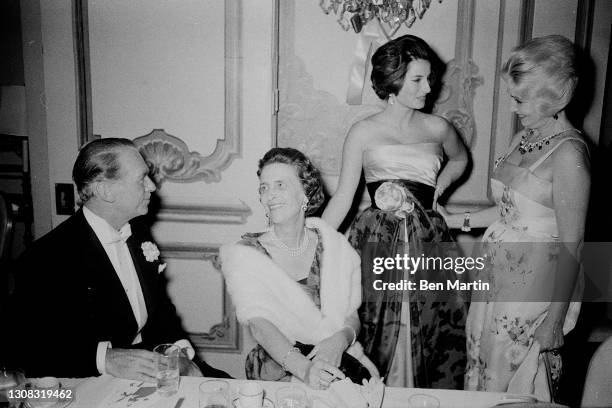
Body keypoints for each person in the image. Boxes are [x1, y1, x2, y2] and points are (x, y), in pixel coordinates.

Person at [4, 138, 229, 380]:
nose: (152, 186)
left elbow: (159, 308)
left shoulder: (138, 231)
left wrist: (182, 355)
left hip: (154, 360)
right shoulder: (45, 258)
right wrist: (105, 358)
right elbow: (26, 349)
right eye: (141, 178)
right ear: (105, 190)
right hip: (90, 378)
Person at [441, 35, 590, 400]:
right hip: (497, 279)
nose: (512, 108)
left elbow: (575, 245)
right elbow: (512, 213)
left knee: (517, 384)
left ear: (558, 96)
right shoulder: (523, 138)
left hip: (535, 290)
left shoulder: (569, 154)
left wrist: (554, 323)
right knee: (484, 369)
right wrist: (452, 220)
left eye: (520, 99)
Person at [321, 34, 469, 389]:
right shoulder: (363, 131)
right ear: (394, 80)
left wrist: (442, 186)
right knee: (373, 327)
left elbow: (461, 158)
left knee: (432, 328)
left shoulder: (439, 127)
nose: (428, 88)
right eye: (418, 79)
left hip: (428, 241)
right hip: (376, 242)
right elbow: (343, 196)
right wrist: (315, 242)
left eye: (429, 78)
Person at [219, 147, 379, 389]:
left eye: (280, 185)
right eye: (264, 187)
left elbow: (351, 315)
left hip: (338, 360)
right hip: (280, 369)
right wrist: (306, 370)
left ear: (305, 193)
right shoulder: (246, 253)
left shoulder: (333, 244)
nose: (270, 194)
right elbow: (260, 326)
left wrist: (339, 340)